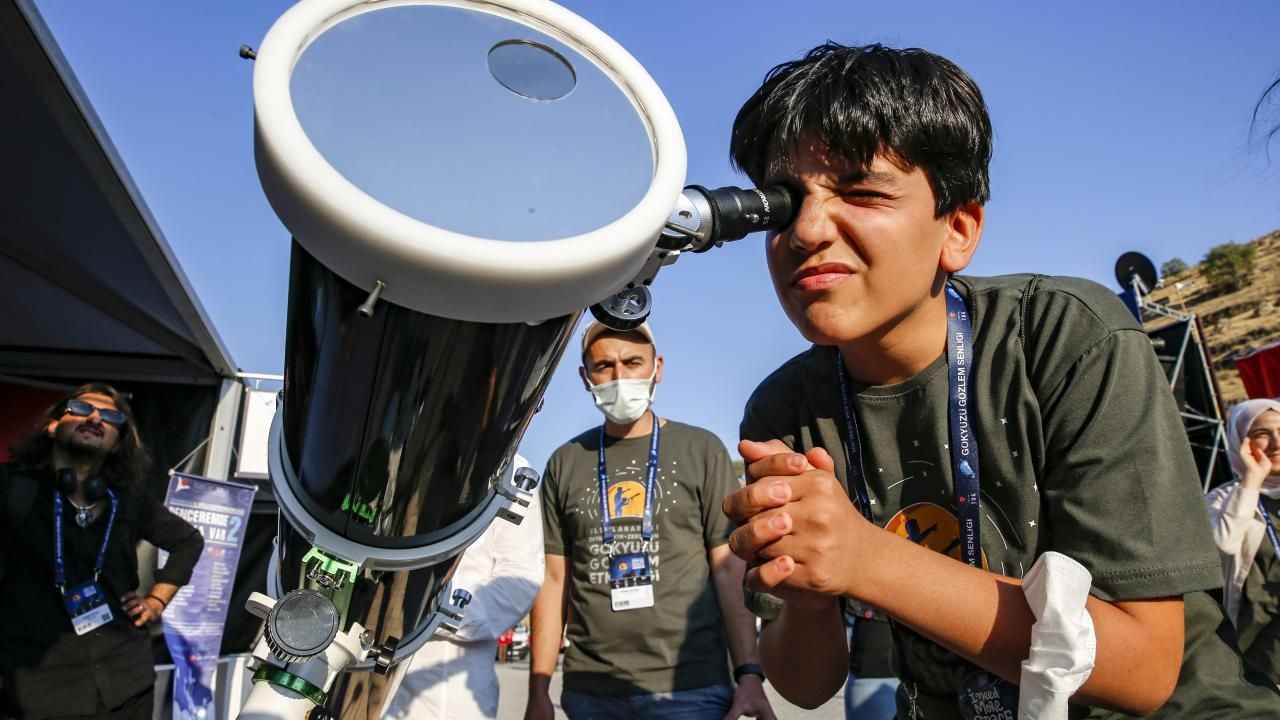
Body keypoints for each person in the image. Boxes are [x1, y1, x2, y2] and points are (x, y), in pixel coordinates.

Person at [719, 42, 1280, 718]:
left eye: (861, 193)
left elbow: (1144, 668)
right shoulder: (784, 409)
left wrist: (866, 559)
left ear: (958, 229)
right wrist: (806, 592)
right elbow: (806, 685)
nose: (808, 229)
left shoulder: (1069, 336)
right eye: (784, 204)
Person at [525, 321, 775, 720]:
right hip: (591, 691)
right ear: (585, 377)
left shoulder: (701, 450)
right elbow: (554, 581)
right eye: (604, 366)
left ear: (657, 368)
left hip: (689, 687)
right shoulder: (565, 462)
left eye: (632, 362)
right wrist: (538, 690)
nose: (619, 377)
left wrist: (749, 672)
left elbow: (729, 570)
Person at [0, 383, 204, 719]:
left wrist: (156, 601)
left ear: (118, 442)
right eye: (81, 409)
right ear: (52, 426)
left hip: (124, 682)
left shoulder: (129, 499)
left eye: (111, 416)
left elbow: (188, 541)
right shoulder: (12, 486)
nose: (96, 418)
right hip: (37, 688)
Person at [385, 455, 545, 720]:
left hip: (448, 682)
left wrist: (434, 609)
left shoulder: (514, 470)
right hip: (368, 663)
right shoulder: (395, 449)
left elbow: (519, 577)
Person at [1206, 398, 1280, 683]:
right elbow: (1223, 544)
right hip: (1257, 647)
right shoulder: (1224, 499)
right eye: (1262, 433)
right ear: (1241, 442)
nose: (1276, 442)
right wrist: (1252, 480)